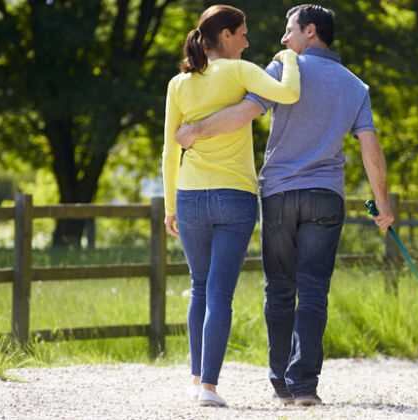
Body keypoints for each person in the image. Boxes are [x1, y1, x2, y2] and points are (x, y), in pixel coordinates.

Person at [176, 4, 395, 407]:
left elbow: (244, 114)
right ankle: (304, 386)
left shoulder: (282, 69)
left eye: (289, 30)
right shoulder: (355, 86)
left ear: (310, 31)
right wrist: (383, 206)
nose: (282, 39)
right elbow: (370, 149)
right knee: (313, 290)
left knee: (279, 288)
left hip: (278, 194)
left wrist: (194, 131)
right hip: (326, 196)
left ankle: (280, 380)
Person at [161, 4, 301, 407]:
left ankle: (195, 380)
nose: (248, 40)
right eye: (242, 33)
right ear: (225, 35)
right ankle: (208, 387)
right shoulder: (241, 71)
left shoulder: (178, 83)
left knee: (199, 288)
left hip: (189, 197)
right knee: (219, 293)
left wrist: (170, 205)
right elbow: (289, 92)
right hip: (235, 196)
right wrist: (288, 56)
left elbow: (170, 151)